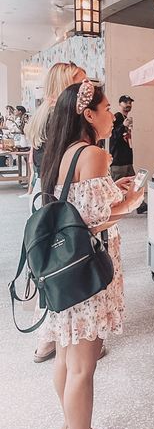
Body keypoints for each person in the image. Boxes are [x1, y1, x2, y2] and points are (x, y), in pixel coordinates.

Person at [40, 80, 143, 429]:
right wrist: (132, 200)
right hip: (88, 273)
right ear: (88, 115)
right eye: (105, 109)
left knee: (67, 358)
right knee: (84, 366)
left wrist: (112, 192)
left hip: (62, 270)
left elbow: (77, 205)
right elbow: (97, 220)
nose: (111, 115)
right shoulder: (97, 154)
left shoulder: (61, 153)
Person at [25, 62, 87, 363]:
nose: (86, 89)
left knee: (48, 264)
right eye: (80, 82)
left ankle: (50, 339)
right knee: (63, 264)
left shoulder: (40, 116)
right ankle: (56, 338)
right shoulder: (58, 116)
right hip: (55, 198)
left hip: (43, 194)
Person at [110, 94, 147, 214]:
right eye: (125, 103)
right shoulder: (116, 117)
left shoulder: (126, 118)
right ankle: (111, 209)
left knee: (135, 182)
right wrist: (123, 126)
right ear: (120, 104)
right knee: (115, 187)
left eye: (130, 103)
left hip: (126, 159)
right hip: (118, 160)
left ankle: (141, 205)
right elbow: (112, 136)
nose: (128, 105)